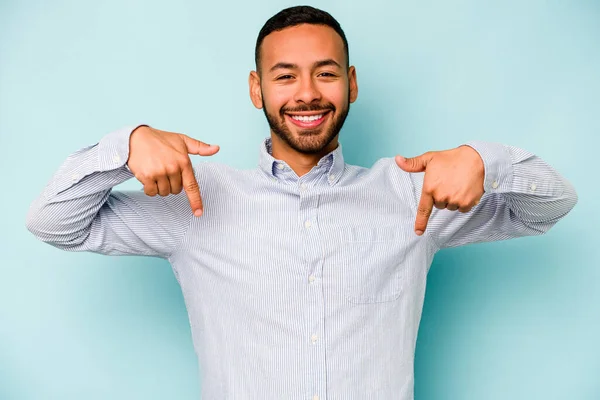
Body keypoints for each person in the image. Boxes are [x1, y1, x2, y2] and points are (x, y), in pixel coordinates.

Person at [26, 5, 578, 400]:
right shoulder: (196, 201)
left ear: (351, 84)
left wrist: (483, 159)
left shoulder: (412, 195)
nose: (307, 92)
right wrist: (127, 144)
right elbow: (55, 223)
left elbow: (551, 206)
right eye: (285, 75)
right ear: (256, 89)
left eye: (326, 73)